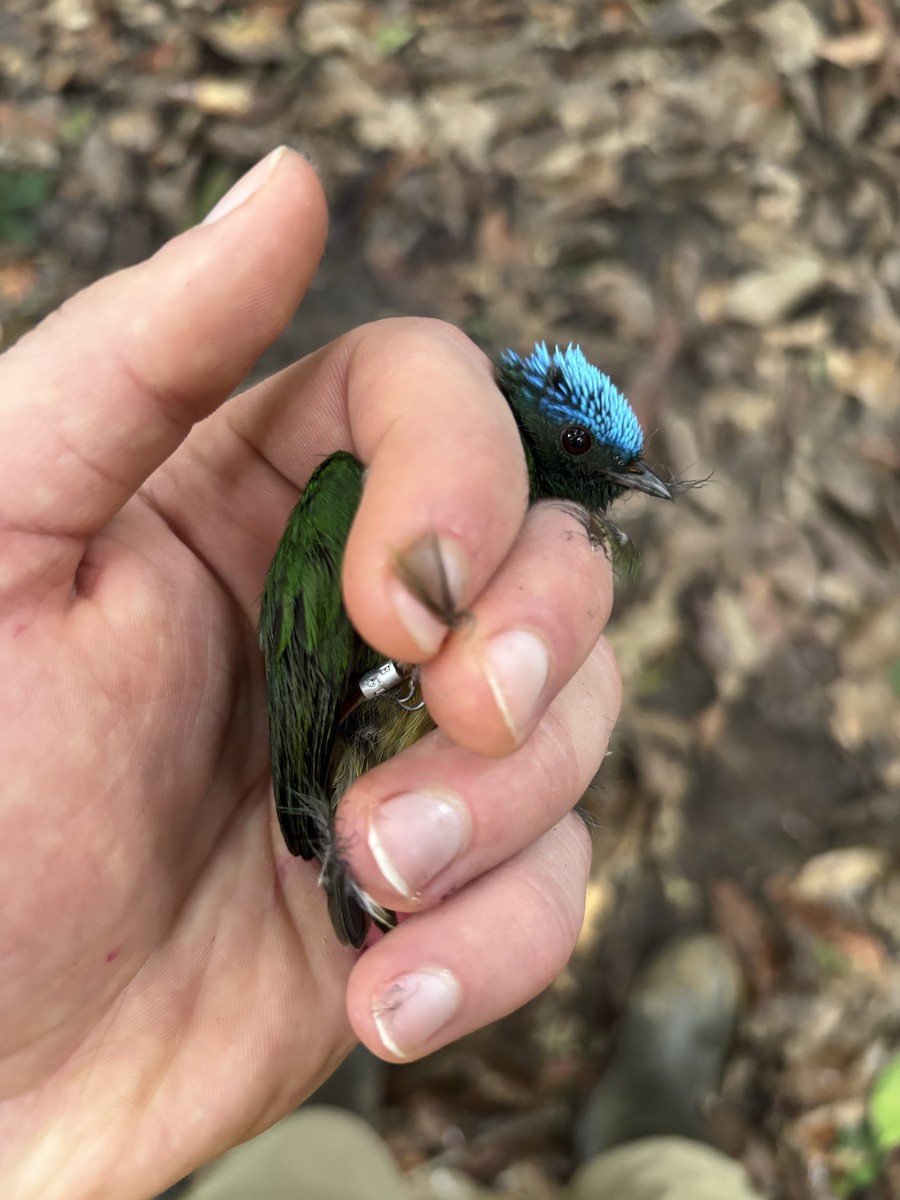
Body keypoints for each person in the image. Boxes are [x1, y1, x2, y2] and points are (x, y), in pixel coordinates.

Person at [0, 148, 622, 1198]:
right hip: (308, 790)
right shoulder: (344, 492)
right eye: (582, 453)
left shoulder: (527, 541)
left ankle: (351, 1118)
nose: (619, 490)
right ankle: (642, 1143)